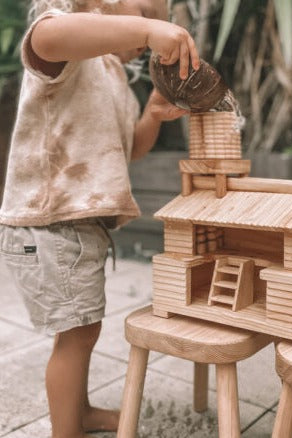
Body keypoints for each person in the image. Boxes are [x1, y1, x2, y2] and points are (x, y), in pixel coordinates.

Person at [0, 1, 199, 437]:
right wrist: (146, 31)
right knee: (77, 334)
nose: (153, 26)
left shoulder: (114, 78)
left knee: (81, 329)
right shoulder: (66, 45)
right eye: (146, 9)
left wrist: (151, 113)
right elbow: (48, 37)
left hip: (77, 223)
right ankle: (66, 429)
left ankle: (80, 411)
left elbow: (130, 148)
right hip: (49, 220)